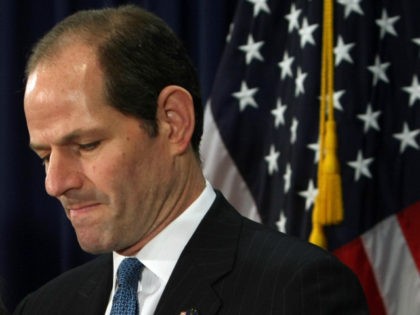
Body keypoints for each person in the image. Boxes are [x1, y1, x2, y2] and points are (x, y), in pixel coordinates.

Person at [14, 4, 368, 315]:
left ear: (173, 121)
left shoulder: (296, 292)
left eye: (87, 145)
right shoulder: (44, 306)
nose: (56, 183)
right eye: (44, 156)